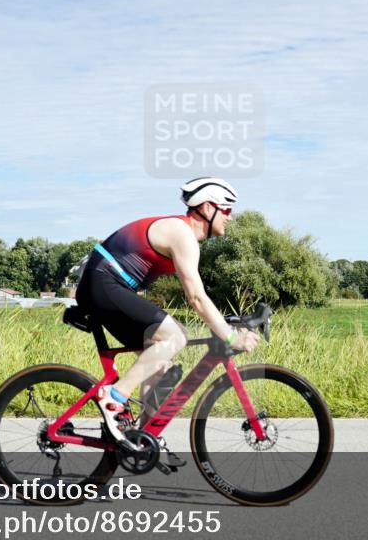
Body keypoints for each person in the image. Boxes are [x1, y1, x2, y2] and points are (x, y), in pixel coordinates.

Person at [75, 177, 260, 450]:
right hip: (102, 283)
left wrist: (224, 323)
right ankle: (113, 397)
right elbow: (196, 297)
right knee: (175, 337)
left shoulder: (184, 235)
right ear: (208, 209)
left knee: (161, 368)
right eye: (227, 209)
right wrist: (231, 337)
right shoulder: (181, 233)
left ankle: (140, 439)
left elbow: (198, 293)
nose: (230, 217)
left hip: (107, 285)